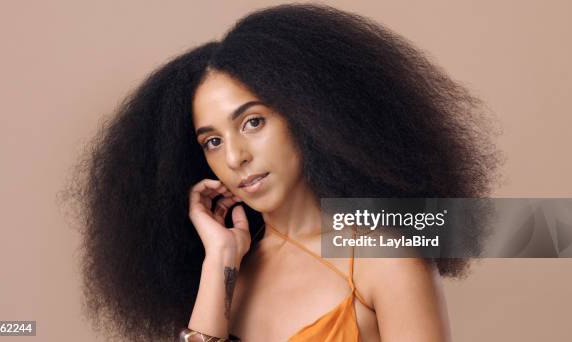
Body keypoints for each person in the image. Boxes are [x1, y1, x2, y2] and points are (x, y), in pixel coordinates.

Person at [61, 3, 502, 341]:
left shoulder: (383, 257)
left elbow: (545, 230)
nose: (235, 158)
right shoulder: (231, 267)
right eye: (212, 141)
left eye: (253, 122)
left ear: (306, 117)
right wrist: (218, 262)